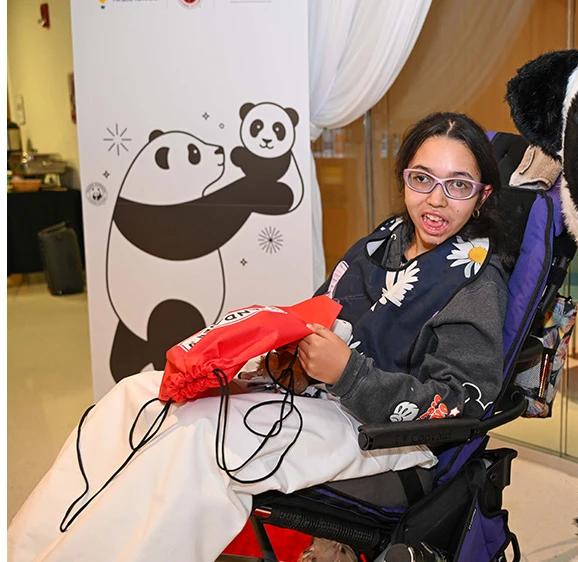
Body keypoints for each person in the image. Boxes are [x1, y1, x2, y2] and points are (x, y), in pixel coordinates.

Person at [8, 112, 511, 562]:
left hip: (386, 434)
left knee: (200, 438)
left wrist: (348, 373)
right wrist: (282, 352)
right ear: (403, 179)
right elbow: (318, 315)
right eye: (422, 179)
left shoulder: (476, 283)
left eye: (459, 185)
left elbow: (461, 406)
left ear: (483, 195)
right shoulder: (380, 244)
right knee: (134, 395)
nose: (436, 200)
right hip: (315, 397)